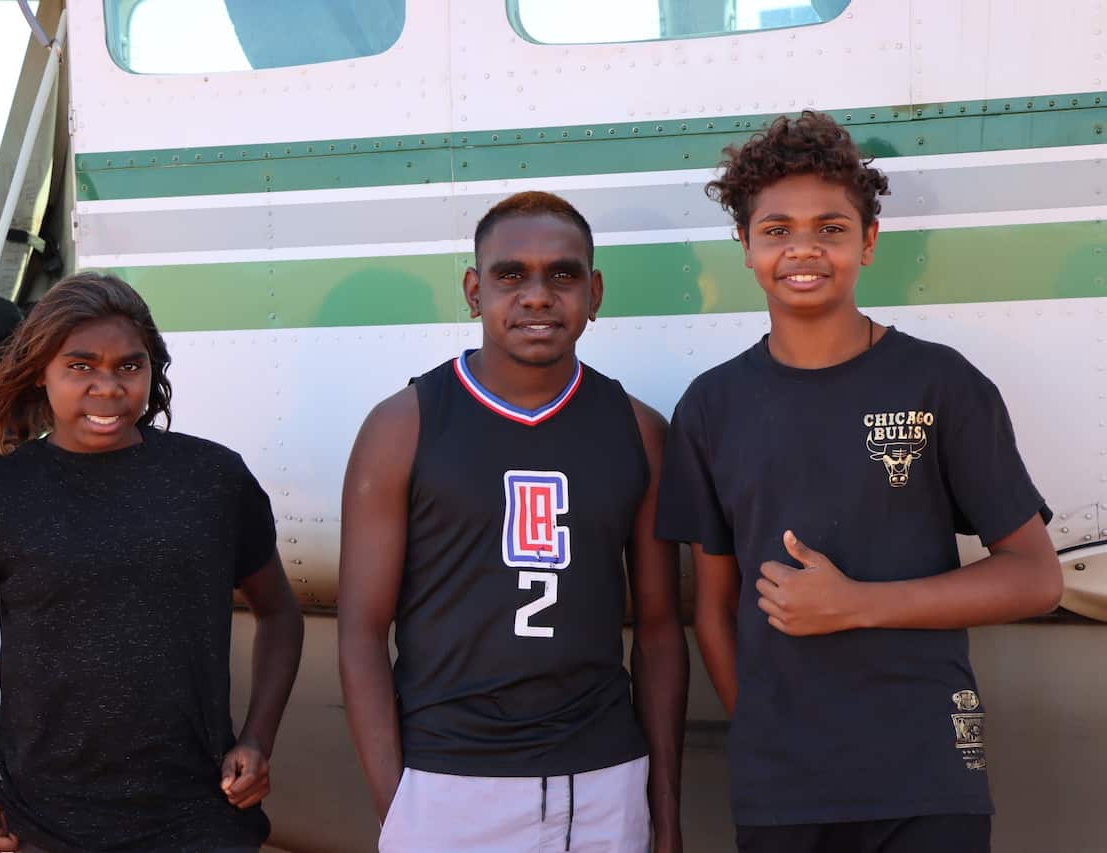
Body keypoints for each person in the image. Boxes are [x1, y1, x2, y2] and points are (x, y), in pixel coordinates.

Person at [656, 112, 1063, 853]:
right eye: (776, 229)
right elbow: (713, 610)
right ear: (744, 246)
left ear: (868, 242)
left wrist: (854, 604)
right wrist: (768, 730)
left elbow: (1036, 578)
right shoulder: (711, 406)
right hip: (782, 790)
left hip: (925, 776)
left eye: (831, 228)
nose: (803, 248)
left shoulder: (942, 383)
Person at [0, 273, 304, 853]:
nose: (108, 387)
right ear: (40, 373)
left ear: (152, 370)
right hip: (43, 830)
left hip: (202, 821)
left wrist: (257, 739)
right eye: (80, 366)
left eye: (129, 366)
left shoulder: (213, 481)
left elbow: (279, 614)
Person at [339, 191, 687, 853]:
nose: (537, 296)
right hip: (450, 782)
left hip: (604, 783)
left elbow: (661, 632)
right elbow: (360, 632)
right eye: (510, 275)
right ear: (475, 292)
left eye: (563, 274)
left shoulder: (640, 431)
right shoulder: (402, 426)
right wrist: (399, 810)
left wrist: (665, 817)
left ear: (594, 292)